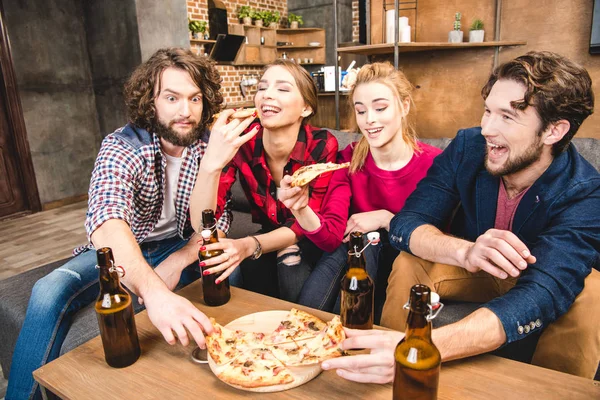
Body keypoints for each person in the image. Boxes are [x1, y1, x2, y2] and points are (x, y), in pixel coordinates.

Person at [321, 51, 600, 381]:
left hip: (536, 277)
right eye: (487, 111)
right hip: (475, 270)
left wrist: (417, 349)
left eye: (507, 118)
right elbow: (408, 221)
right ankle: (381, 369)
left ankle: (553, 389)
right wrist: (464, 251)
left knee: (593, 294)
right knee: (411, 258)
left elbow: (543, 292)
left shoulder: (584, 191)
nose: (486, 128)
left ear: (554, 131)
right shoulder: (468, 146)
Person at [7, 48, 230, 400]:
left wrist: (181, 258)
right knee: (47, 290)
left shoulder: (210, 146)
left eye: (194, 98)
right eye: (171, 97)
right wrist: (154, 291)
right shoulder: (123, 145)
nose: (185, 111)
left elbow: (218, 220)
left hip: (175, 242)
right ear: (150, 102)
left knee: (223, 273)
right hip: (122, 245)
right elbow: (106, 219)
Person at [277, 62, 441, 318]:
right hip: (360, 260)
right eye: (361, 111)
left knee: (369, 236)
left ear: (404, 106)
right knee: (359, 241)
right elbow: (330, 238)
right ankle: (302, 328)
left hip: (410, 264)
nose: (369, 119)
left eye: (380, 108)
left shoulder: (436, 164)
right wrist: (300, 208)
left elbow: (442, 237)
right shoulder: (347, 160)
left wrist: (386, 219)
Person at [189, 59, 339, 302]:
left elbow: (308, 223)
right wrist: (210, 163)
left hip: (311, 238)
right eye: (262, 88)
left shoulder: (321, 145)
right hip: (266, 234)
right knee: (244, 276)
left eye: (282, 89)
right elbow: (203, 222)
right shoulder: (241, 140)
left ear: (306, 108)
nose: (267, 95)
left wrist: (249, 245)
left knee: (290, 264)